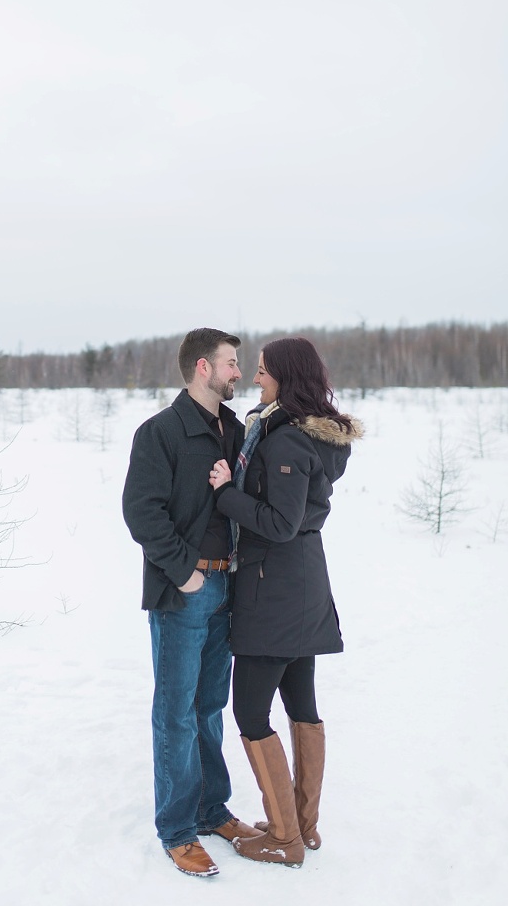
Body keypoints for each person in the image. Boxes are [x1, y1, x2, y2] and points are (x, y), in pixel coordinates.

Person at [209, 336, 363, 867]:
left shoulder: (286, 442)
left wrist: (227, 494)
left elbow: (280, 523)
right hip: (301, 583)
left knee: (250, 711)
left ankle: (283, 836)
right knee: (301, 705)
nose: (255, 379)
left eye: (262, 371)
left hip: (274, 589)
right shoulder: (298, 435)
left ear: (285, 376)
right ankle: (301, 824)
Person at [122, 328, 259, 878]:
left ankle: (210, 808)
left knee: (208, 708)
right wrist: (183, 574)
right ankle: (177, 829)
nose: (238, 373)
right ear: (203, 367)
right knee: (175, 712)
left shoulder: (237, 430)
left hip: (228, 590)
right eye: (231, 363)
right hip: (184, 594)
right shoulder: (160, 433)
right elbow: (141, 513)